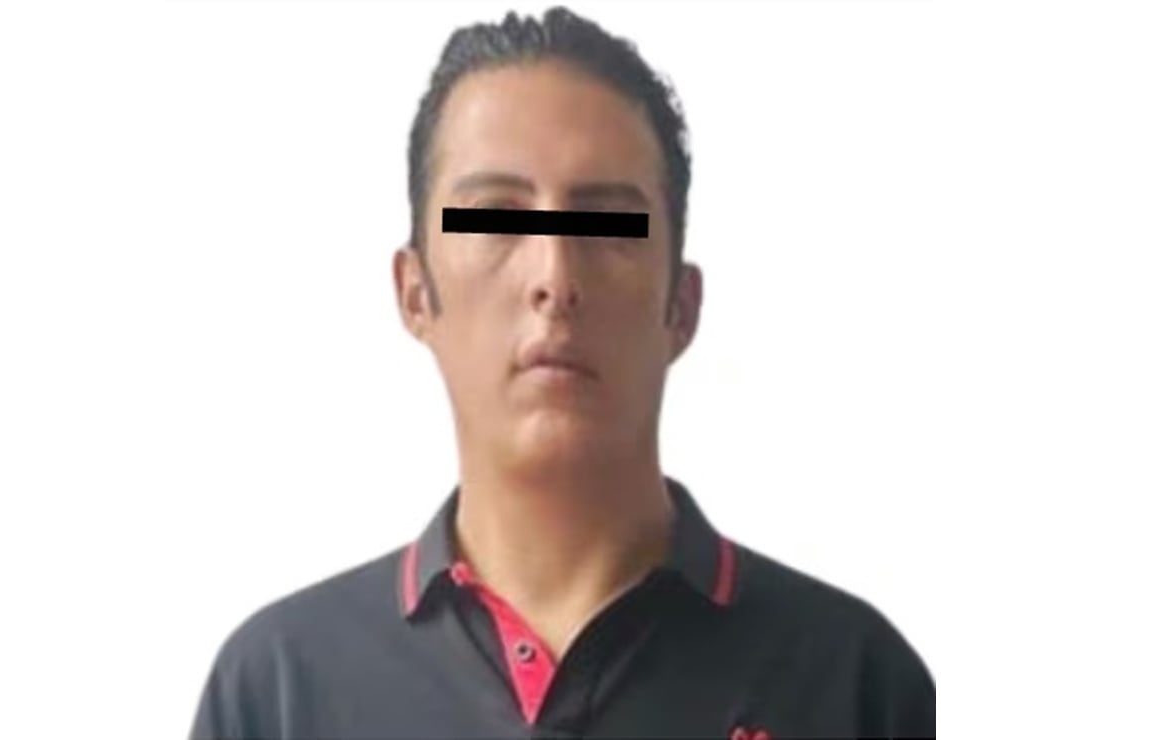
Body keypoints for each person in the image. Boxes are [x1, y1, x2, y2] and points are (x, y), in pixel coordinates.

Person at [189, 7, 936, 739]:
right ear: (414, 292)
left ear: (681, 305)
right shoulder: (279, 691)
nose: (554, 276)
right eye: (496, 217)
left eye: (607, 223)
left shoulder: (856, 685)